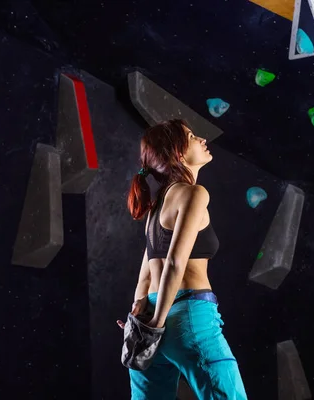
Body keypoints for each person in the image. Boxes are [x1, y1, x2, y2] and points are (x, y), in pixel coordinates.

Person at [117, 119, 248, 399]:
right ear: (177, 153)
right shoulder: (193, 193)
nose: (201, 139)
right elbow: (176, 263)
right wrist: (158, 324)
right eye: (191, 137)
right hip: (187, 318)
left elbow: (146, 273)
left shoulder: (156, 206)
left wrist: (139, 320)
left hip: (149, 320)